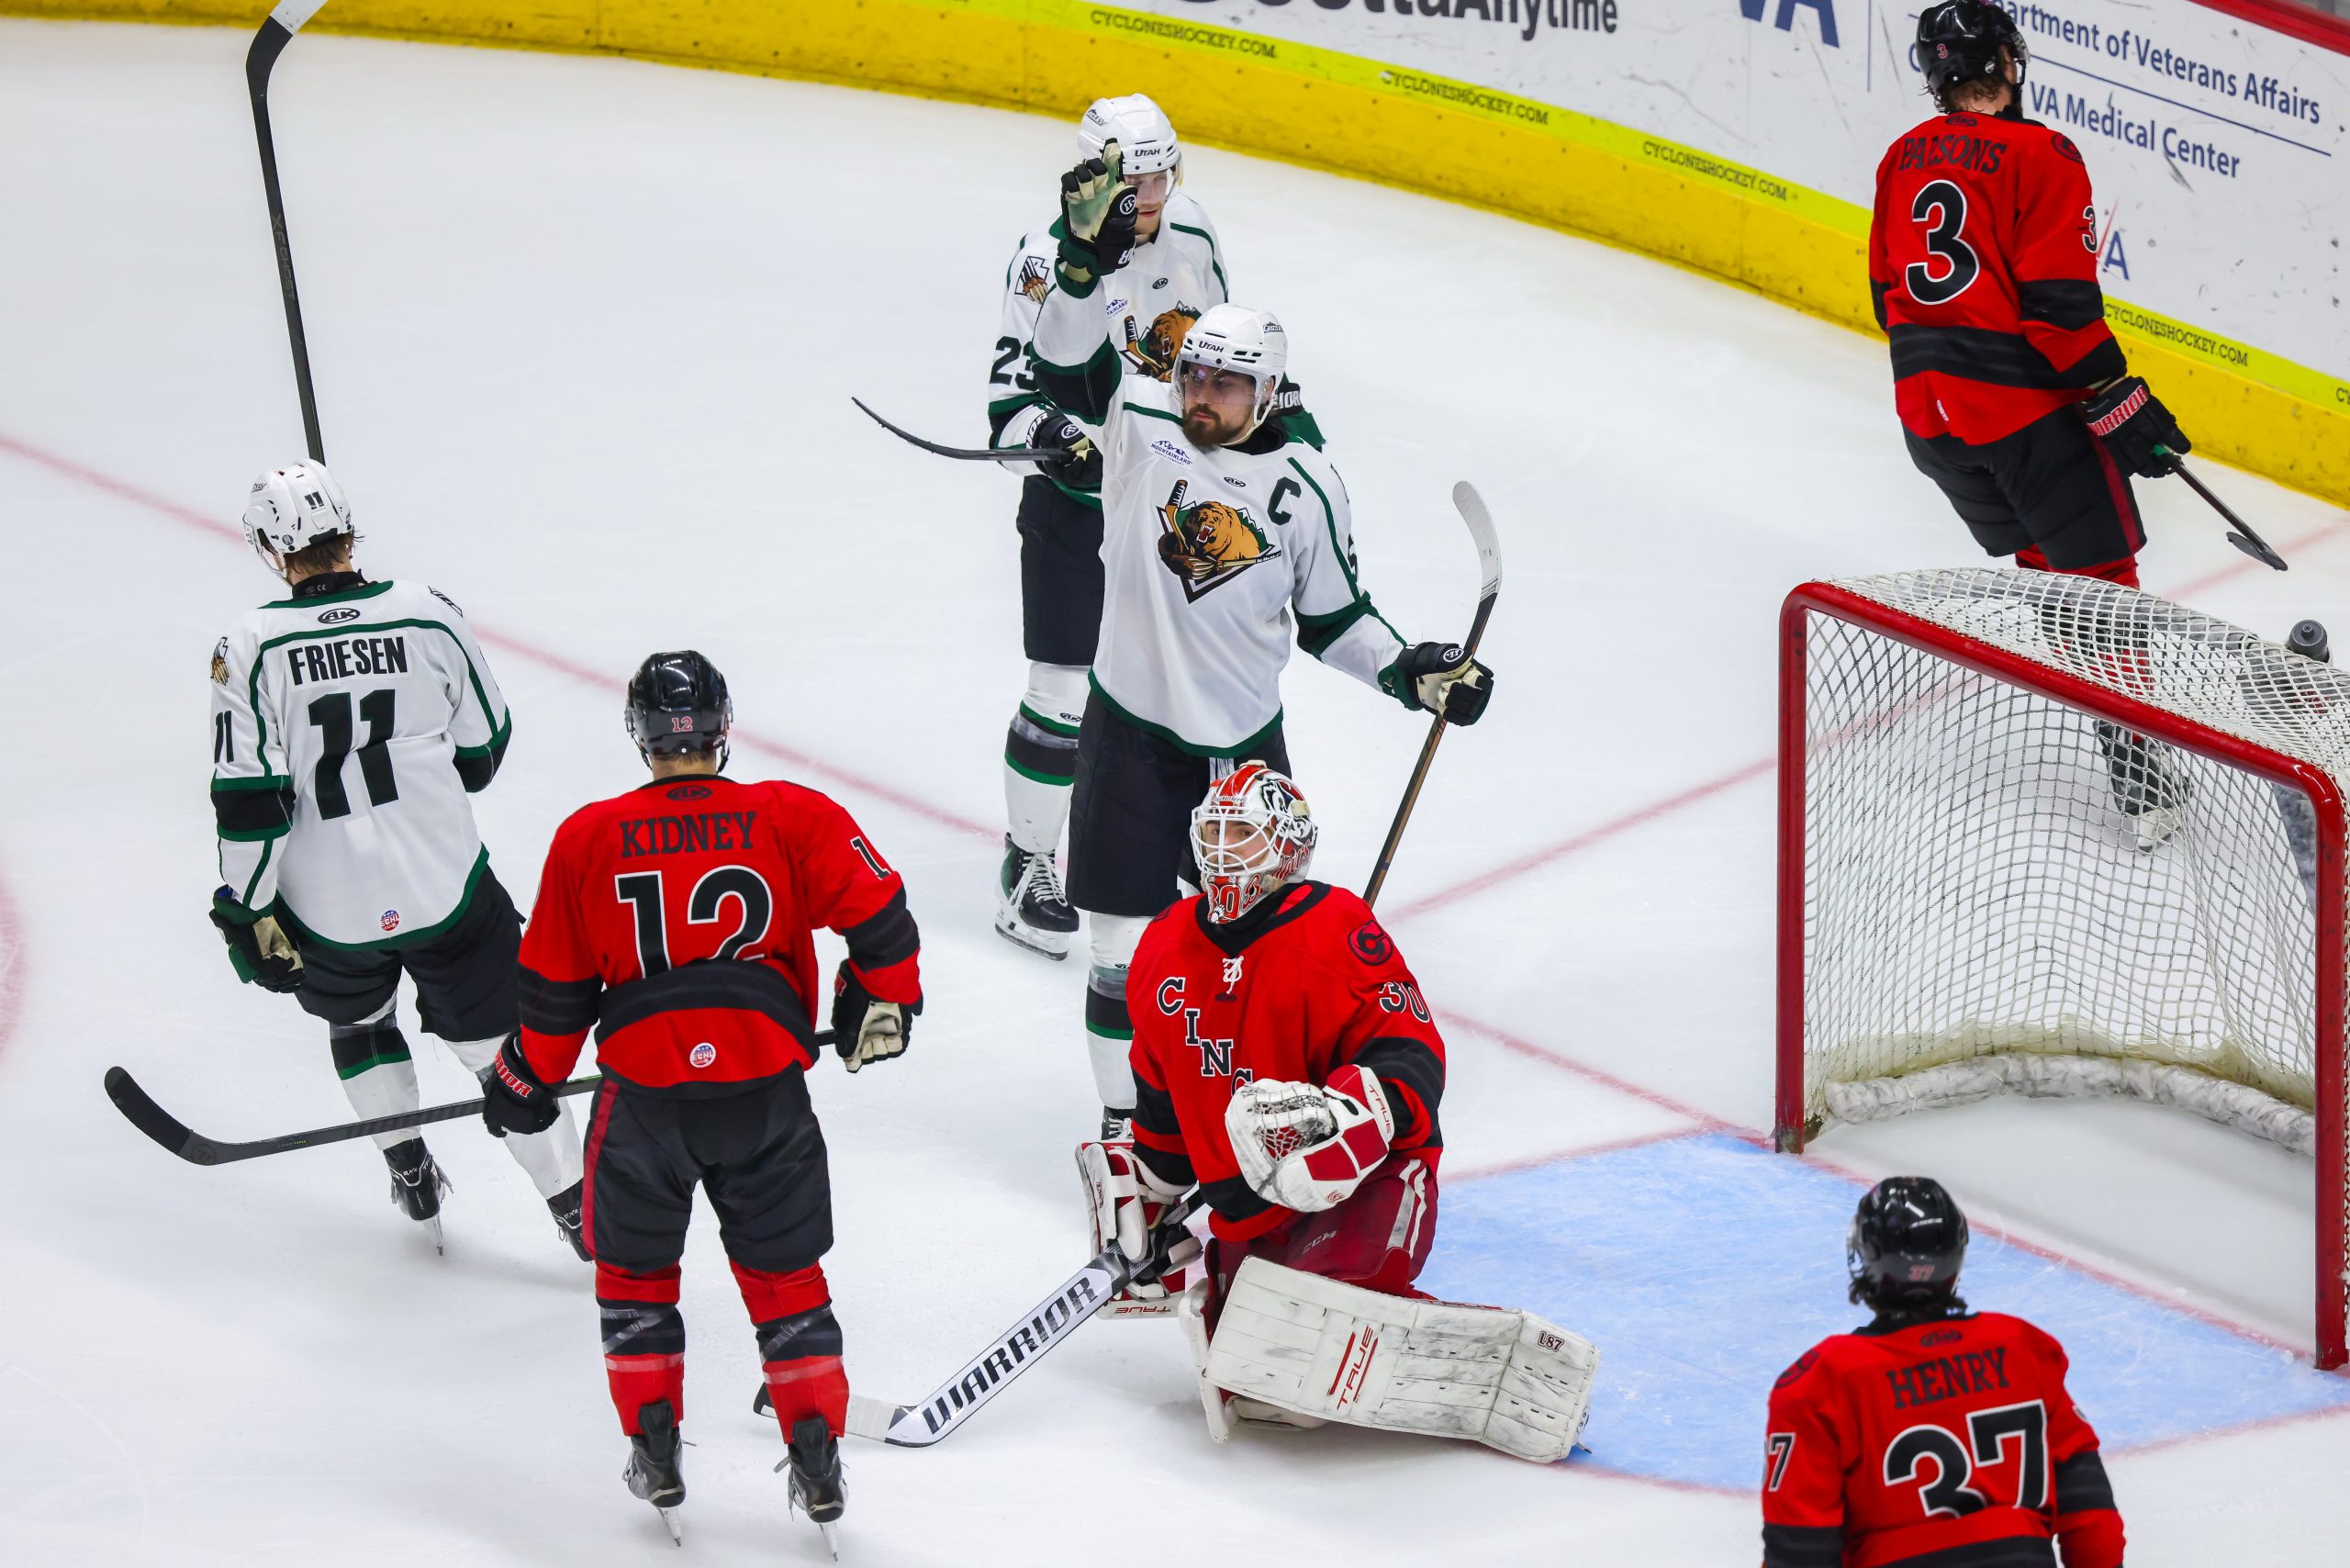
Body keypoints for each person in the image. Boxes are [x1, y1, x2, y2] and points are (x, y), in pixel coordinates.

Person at [1030, 145, 1494, 1138]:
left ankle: (1248, 1123)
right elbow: (1063, 367)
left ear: (1268, 391)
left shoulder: (1307, 487)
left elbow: (1335, 621)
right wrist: (1078, 265)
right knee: (1118, 952)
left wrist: (1415, 673)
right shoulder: (1141, 418)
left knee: (1264, 953)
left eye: (1226, 385)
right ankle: (1132, 1136)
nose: (1202, 395)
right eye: (1196, 372)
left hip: (1241, 757)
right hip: (1124, 732)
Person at [487, 650, 920, 1552]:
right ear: (724, 729)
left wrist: (524, 1082)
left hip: (645, 1099)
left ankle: (653, 1445)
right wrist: (884, 999)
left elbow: (556, 1000)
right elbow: (881, 920)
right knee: (787, 1281)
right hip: (766, 1090)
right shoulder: (792, 814)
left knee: (636, 1278)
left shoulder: (588, 836)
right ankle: (817, 1453)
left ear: (641, 736)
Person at [1080, 765, 1594, 1460]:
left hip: (1362, 1187)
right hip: (1247, 1210)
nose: (1226, 850)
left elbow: (1412, 1052)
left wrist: (1352, 1112)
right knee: (1259, 1376)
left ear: (1289, 849)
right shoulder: (1163, 944)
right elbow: (1162, 1098)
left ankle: (1445, 1347)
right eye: (1216, 831)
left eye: (1245, 835)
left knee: (1310, 1319)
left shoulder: (1336, 926)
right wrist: (1155, 1199)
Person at [207, 460, 582, 1255]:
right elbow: (483, 752)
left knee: (358, 1020)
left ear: (274, 551)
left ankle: (407, 1163)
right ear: (348, 529)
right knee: (500, 1049)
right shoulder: (426, 613)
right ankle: (576, 1206)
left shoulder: (250, 646)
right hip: (444, 886)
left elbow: (250, 805)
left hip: (327, 907)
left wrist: (245, 910)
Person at [1872, 1, 2198, 848]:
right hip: (2020, 413)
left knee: (2047, 566)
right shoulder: (2043, 152)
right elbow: (2057, 310)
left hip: (1929, 417)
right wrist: (2119, 401)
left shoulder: (1900, 157)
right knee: (2102, 581)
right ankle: (2140, 775)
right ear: (2009, 65)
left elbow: (1886, 297)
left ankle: (2089, 706)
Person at [986, 94, 1231, 960]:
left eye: (1165, 173)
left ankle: (1162, 850)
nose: (1156, 194)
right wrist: (1048, 438)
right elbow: (1008, 405)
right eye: (1139, 179)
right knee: (1061, 691)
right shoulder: (1042, 260)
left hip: (1164, 502)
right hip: (1076, 507)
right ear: (1100, 180)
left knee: (1172, 685)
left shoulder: (1193, 236)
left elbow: (1218, 357)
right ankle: (1026, 864)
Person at [1762, 1176, 2125, 1568]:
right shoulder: (2024, 1350)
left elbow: (1799, 1552)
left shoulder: (1821, 1382)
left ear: (1864, 1259)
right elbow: (2091, 1516)